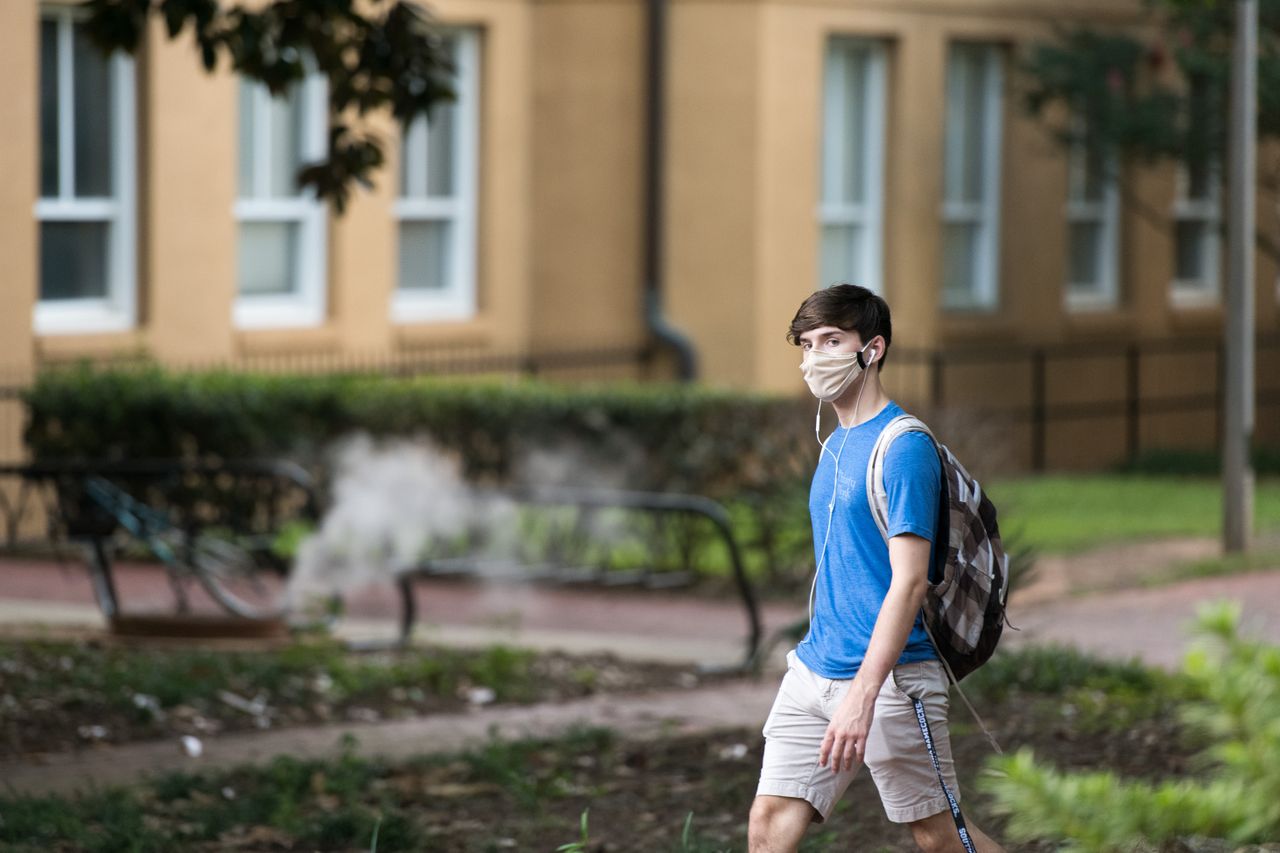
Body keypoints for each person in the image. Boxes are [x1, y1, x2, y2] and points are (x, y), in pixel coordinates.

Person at [748, 284, 1004, 853]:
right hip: (814, 670)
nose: (816, 357)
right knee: (767, 827)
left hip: (891, 680)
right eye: (807, 344)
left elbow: (910, 580)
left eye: (832, 341)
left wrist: (863, 694)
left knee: (937, 837)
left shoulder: (903, 447)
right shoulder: (835, 443)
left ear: (873, 348)